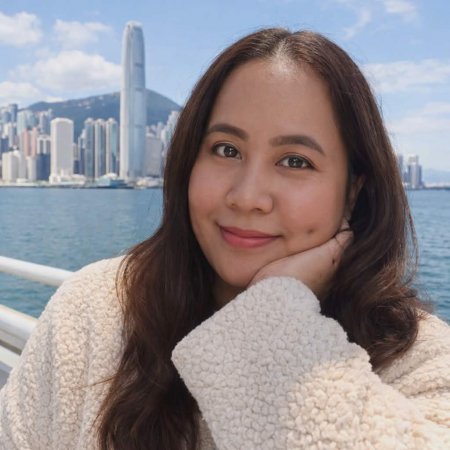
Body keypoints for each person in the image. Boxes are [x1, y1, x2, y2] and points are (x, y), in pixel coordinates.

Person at [1, 28, 449, 450]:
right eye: (226, 150)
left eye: (295, 161)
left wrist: (271, 320)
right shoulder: (96, 309)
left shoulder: (421, 363)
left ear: (353, 190)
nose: (247, 197)